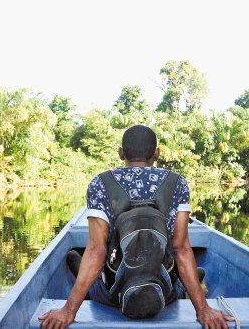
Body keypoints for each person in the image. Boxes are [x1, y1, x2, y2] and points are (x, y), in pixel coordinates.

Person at [39, 125, 234, 329]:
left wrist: (68, 311)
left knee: (77, 258)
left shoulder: (100, 183)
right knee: (193, 270)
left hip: (114, 294)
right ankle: (187, 283)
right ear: (156, 153)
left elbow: (97, 250)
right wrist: (203, 310)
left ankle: (83, 273)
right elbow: (181, 249)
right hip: (162, 293)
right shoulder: (177, 183)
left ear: (121, 153)